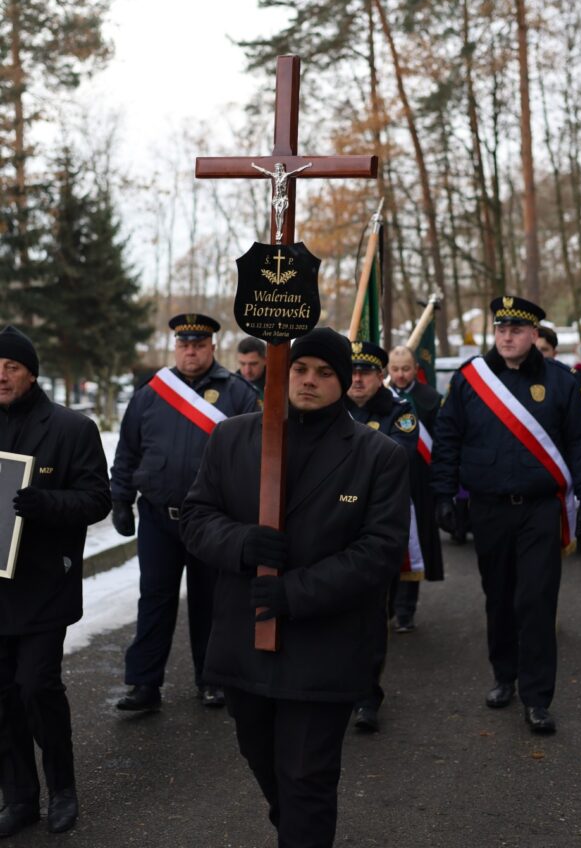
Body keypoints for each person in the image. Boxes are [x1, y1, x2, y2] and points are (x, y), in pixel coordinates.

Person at [179, 328, 409, 848]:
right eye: (300, 369)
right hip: (246, 640)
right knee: (265, 762)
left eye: (325, 373)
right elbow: (195, 517)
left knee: (306, 777)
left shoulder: (379, 456)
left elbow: (379, 551)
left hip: (326, 646)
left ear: (345, 381)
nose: (309, 381)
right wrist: (240, 543)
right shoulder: (232, 437)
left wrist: (297, 592)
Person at [432, 296, 581, 734]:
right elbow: (448, 437)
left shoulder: (561, 382)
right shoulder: (471, 380)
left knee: (537, 600)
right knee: (500, 596)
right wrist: (444, 495)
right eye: (501, 328)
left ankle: (537, 697)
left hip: (540, 510)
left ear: (533, 334)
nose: (507, 336)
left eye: (516, 329)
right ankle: (503, 676)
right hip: (488, 509)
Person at [110, 312, 257, 712]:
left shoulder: (237, 393)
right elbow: (128, 450)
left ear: (212, 347)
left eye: (198, 344)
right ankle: (144, 685)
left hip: (212, 520)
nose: (190, 351)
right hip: (158, 516)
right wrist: (120, 498)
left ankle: (211, 679)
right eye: (184, 344)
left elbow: (251, 456)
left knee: (210, 603)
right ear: (176, 346)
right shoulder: (151, 394)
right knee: (154, 600)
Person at [0, 326, 110, 836]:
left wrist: (46, 504)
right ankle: (19, 798)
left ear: (32, 373)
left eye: (12, 366)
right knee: (2, 696)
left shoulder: (71, 429)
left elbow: (96, 499)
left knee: (36, 687)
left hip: (44, 584)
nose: (1, 375)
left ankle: (62, 788)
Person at [345, 340, 419, 732]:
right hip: (332, 527)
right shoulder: (329, 409)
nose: (357, 379)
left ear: (380, 376)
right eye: (351, 372)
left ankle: (366, 697)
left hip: (374, 528)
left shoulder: (399, 412)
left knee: (371, 618)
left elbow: (399, 457)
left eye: (366, 372)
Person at [387, 345, 444, 629]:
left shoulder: (430, 398)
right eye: (394, 369)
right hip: (388, 483)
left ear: (414, 368)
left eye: (405, 368)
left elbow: (442, 442)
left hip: (420, 483)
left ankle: (406, 609)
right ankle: (386, 606)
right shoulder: (381, 397)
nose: (399, 375)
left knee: (414, 544)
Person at [237, 335, 267, 409]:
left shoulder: (277, 386)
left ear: (265, 360)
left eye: (253, 364)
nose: (247, 371)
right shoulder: (231, 386)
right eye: (243, 364)